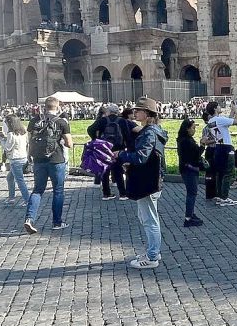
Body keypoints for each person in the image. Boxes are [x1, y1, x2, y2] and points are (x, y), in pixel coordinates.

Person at [121, 98, 168, 269]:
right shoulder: (153, 130)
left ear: (147, 114)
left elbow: (141, 157)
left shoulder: (149, 132)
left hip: (148, 181)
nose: (135, 113)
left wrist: (122, 156)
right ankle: (153, 250)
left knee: (149, 220)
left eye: (138, 110)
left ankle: (152, 256)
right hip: (150, 179)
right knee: (147, 217)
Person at [23, 97, 73, 234]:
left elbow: (29, 139)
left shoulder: (34, 121)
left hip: (38, 158)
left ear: (44, 107)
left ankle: (29, 218)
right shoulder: (61, 122)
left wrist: (29, 155)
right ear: (57, 107)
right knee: (58, 190)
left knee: (38, 190)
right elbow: (69, 143)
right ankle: (57, 222)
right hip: (56, 159)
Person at [87, 104, 127, 201]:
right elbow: (127, 134)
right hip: (118, 149)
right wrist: (125, 146)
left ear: (108, 112)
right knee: (118, 171)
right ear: (117, 112)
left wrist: (96, 139)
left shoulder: (102, 120)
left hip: (104, 148)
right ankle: (123, 194)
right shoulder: (122, 121)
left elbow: (90, 129)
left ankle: (106, 194)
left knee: (105, 171)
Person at [205, 101, 237, 206]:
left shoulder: (211, 121)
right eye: (219, 106)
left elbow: (227, 123)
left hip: (218, 147)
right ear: (215, 109)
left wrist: (232, 111)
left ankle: (220, 196)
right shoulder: (219, 119)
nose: (221, 107)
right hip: (226, 147)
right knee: (228, 172)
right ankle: (224, 197)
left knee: (220, 173)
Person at [176, 118, 205, 227]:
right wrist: (202, 144)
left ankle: (191, 214)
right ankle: (188, 218)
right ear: (187, 129)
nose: (194, 130)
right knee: (192, 193)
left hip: (187, 169)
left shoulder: (183, 139)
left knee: (192, 193)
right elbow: (196, 154)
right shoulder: (187, 141)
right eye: (193, 128)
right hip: (189, 169)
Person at [0, 115, 30, 205]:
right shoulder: (23, 132)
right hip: (23, 157)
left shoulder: (11, 134)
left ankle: (27, 199)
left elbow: (8, 148)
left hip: (15, 159)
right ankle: (11, 198)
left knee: (20, 181)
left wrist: (1, 140)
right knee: (10, 178)